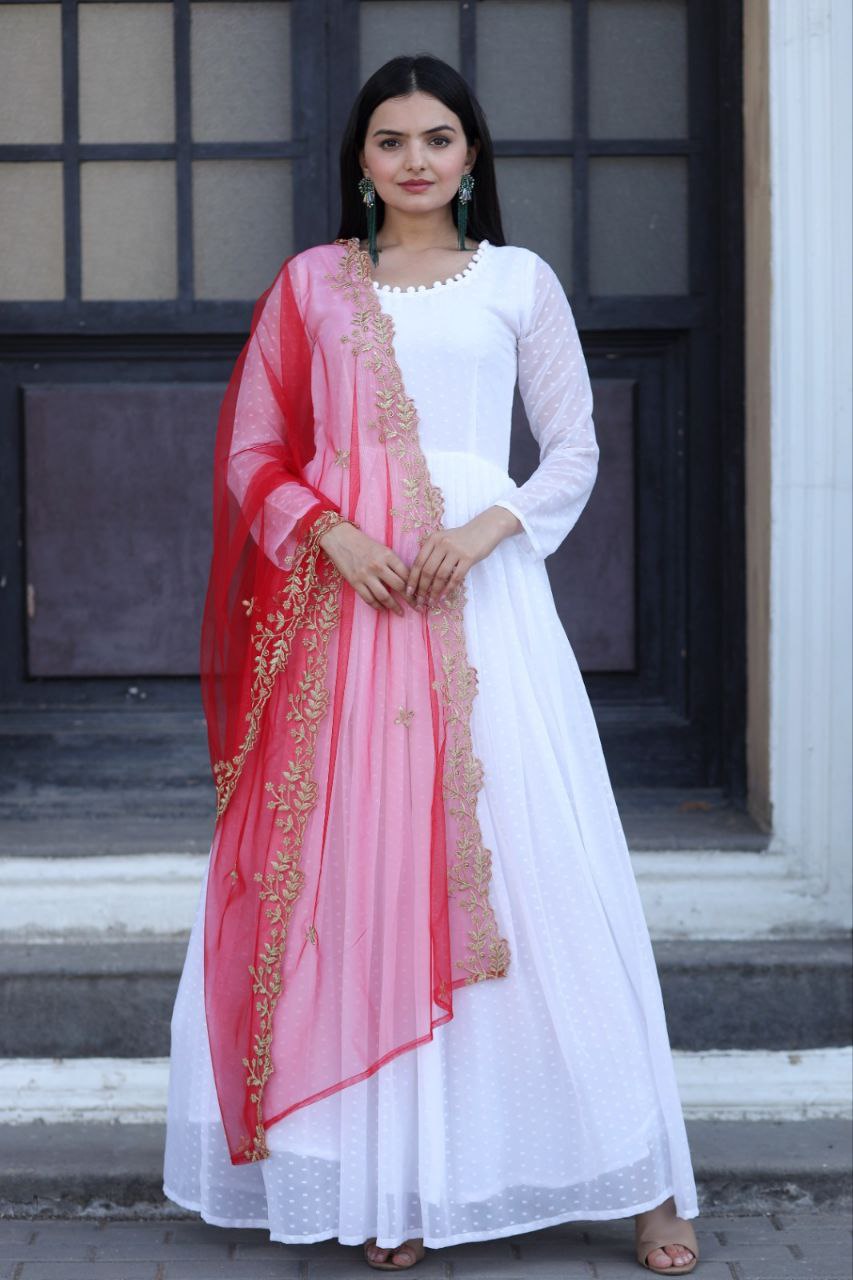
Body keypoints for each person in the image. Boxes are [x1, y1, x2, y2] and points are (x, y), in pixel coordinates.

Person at [163, 53, 700, 1276]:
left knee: (538, 865)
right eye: (393, 140)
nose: (416, 160)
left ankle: (648, 1177)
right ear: (360, 160)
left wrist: (475, 532)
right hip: (348, 612)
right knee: (362, 871)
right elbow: (254, 453)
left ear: (472, 156)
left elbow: (570, 447)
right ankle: (393, 1177)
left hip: (485, 605)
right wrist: (336, 533)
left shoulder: (518, 281)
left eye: (440, 139)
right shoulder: (312, 287)